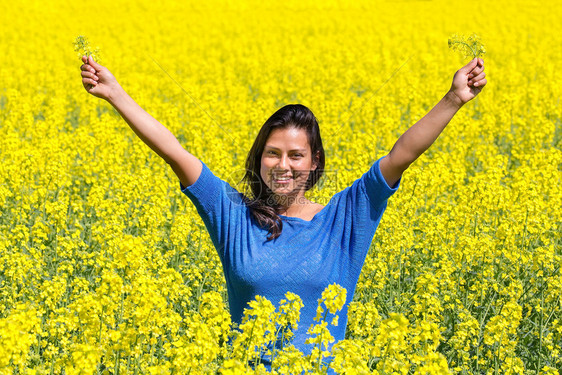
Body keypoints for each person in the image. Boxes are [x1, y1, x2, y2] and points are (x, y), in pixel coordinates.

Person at [80, 55, 486, 371]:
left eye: (296, 155)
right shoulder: (233, 216)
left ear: (314, 162)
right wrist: (116, 94)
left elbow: (402, 155)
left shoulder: (345, 219)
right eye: (272, 153)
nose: (283, 165)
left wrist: (453, 98)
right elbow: (173, 151)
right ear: (259, 159)